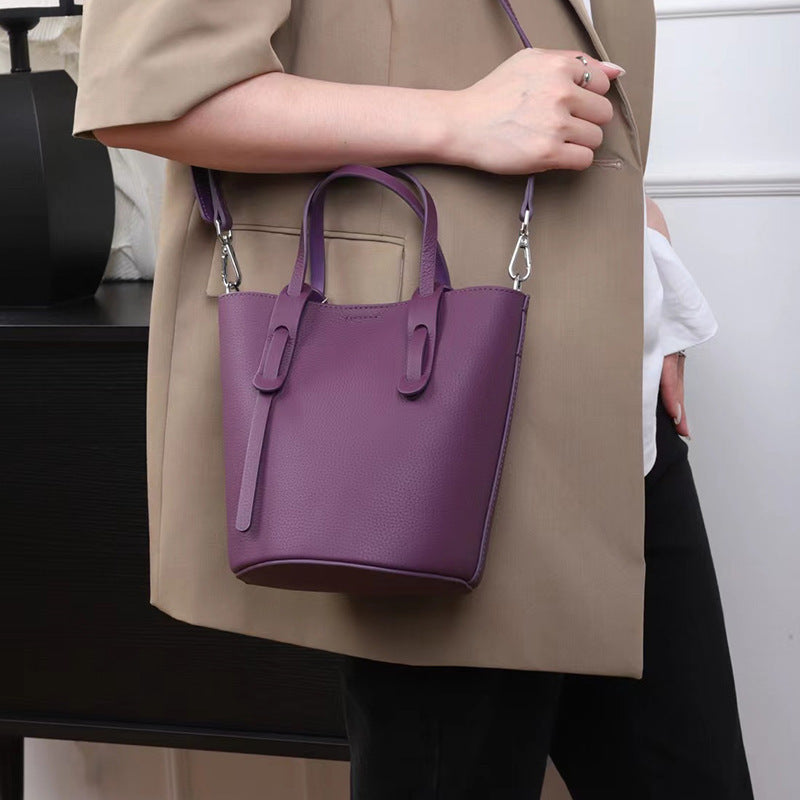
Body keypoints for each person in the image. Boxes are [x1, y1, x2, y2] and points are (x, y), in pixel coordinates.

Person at [72, 0, 753, 795]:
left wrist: (634, 232)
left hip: (609, 397)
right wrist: (458, 119)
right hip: (429, 416)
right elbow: (149, 92)